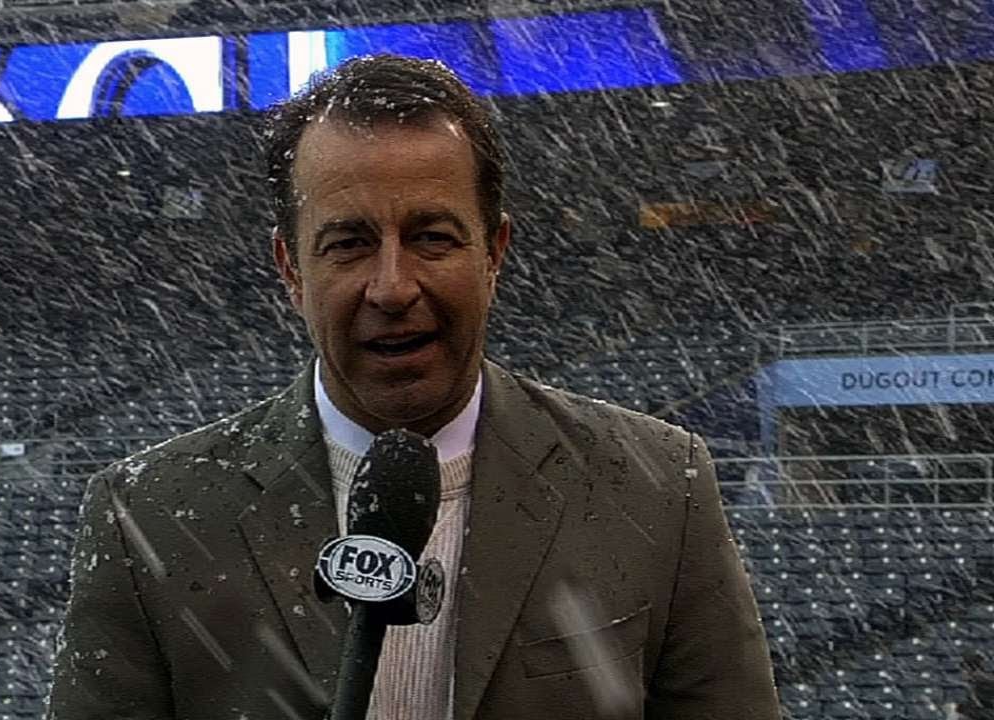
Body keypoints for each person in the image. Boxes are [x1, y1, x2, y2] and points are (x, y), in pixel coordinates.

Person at [45, 53, 781, 720]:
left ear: (494, 252)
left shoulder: (656, 485)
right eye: (350, 243)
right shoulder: (146, 515)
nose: (392, 287)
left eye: (432, 237)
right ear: (291, 269)